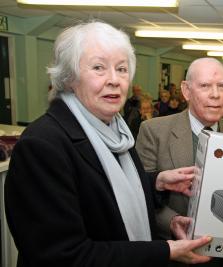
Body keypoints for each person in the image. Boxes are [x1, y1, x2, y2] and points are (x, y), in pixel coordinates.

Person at [4, 21, 212, 267]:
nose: (115, 80)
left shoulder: (116, 132)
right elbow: (62, 256)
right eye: (99, 68)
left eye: (122, 69)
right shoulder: (42, 145)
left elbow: (103, 192)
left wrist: (156, 182)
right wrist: (164, 250)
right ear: (70, 77)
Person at [135, 57, 223, 266]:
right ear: (186, 91)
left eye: (222, 86)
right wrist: (172, 222)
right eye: (205, 86)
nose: (215, 94)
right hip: (173, 253)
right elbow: (140, 195)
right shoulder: (154, 131)